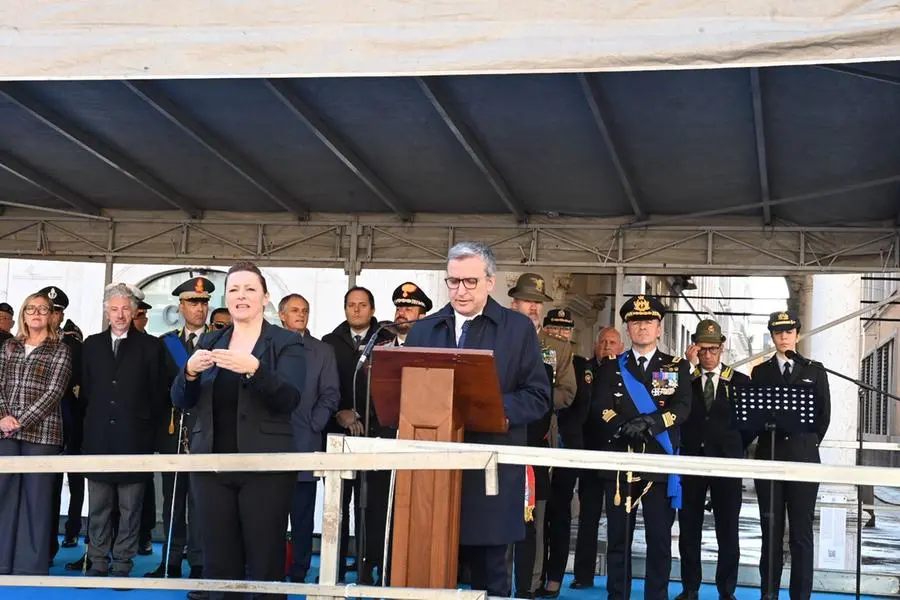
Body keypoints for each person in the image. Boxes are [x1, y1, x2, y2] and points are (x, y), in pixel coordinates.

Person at [405, 241, 551, 597]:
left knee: (491, 573)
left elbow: (538, 397)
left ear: (489, 282)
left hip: (492, 467)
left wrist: (489, 407)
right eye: (453, 282)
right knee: (432, 568)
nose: (460, 290)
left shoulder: (517, 329)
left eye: (470, 281)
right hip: (434, 471)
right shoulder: (424, 330)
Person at [173, 262, 306, 600]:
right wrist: (188, 372)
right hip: (212, 467)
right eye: (233, 290)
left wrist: (256, 369)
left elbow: (289, 398)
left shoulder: (285, 342)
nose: (241, 296)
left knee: (265, 561)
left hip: (264, 469)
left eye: (249, 289)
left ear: (265, 297)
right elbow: (182, 400)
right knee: (219, 563)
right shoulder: (210, 339)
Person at [594, 295, 691, 600]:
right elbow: (601, 407)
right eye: (635, 322)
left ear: (659, 328)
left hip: (659, 464)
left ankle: (656, 596)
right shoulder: (612, 368)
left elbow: (684, 407)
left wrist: (650, 423)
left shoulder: (676, 366)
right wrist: (623, 428)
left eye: (648, 321)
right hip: (623, 462)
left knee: (659, 540)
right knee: (619, 540)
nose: (642, 327)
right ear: (628, 329)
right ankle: (617, 595)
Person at [81, 283, 168, 578]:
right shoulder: (91, 345)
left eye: (125, 309)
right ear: (107, 311)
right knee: (99, 508)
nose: (120, 315)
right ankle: (97, 561)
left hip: (135, 439)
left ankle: (122, 563)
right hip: (98, 439)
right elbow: (87, 393)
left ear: (134, 312)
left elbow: (158, 395)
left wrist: (152, 435)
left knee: (131, 509)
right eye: (115, 309)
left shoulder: (151, 346)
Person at [749, 310, 830, 600]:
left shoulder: (815, 370)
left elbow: (823, 417)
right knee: (770, 531)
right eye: (778, 331)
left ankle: (800, 596)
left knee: (801, 534)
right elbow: (752, 417)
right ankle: (768, 593)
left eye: (789, 331)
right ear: (772, 336)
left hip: (804, 459)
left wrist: (804, 443)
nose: (783, 336)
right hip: (770, 457)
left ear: (797, 333)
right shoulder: (760, 372)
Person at [321, 286, 395, 583]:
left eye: (362, 305)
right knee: (336, 506)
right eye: (351, 305)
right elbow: (323, 386)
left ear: (372, 309)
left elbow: (393, 387)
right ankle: (334, 569)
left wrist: (366, 415)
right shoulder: (329, 342)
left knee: (372, 506)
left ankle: (370, 567)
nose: (356, 310)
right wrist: (340, 412)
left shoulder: (387, 340)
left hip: (376, 434)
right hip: (338, 435)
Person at [676, 320, 750, 600]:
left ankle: (726, 589)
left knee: (728, 528)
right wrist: (687, 365)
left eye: (713, 349)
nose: (708, 355)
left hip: (727, 463)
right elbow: (672, 404)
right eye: (703, 349)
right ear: (695, 347)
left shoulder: (740, 381)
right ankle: (690, 587)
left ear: (722, 348)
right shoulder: (686, 379)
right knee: (689, 527)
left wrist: (734, 448)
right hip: (691, 460)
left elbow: (749, 424)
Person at [147, 276, 214, 581]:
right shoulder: (167, 343)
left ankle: (200, 562)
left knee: (202, 503)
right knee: (172, 501)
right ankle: (171, 561)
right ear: (180, 306)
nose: (199, 308)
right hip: (175, 429)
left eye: (203, 302)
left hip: (207, 430)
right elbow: (158, 390)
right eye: (193, 302)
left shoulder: (219, 341)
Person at [0, 291, 72, 575]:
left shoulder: (61, 349)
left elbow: (54, 392)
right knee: (3, 495)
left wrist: (19, 420)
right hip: (4, 433)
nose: (37, 314)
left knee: (37, 500)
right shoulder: (8, 347)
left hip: (42, 435)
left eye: (42, 309)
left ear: (51, 315)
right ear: (24, 314)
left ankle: (31, 565)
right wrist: (3, 418)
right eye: (31, 309)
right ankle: (2, 561)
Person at [278, 293, 340, 583]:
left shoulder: (322, 351)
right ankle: (272, 568)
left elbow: (330, 393)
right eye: (294, 310)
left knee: (302, 517)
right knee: (269, 516)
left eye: (304, 310)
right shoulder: (267, 346)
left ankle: (300, 569)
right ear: (281, 315)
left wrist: (315, 424)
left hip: (305, 442)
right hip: (270, 444)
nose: (300, 315)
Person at [537, 310, 594, 598]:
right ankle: (533, 574)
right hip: (537, 443)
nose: (560, 334)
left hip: (565, 447)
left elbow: (580, 410)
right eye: (554, 329)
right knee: (534, 515)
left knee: (559, 515)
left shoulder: (583, 366)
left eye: (565, 330)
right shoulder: (537, 354)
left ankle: (554, 577)